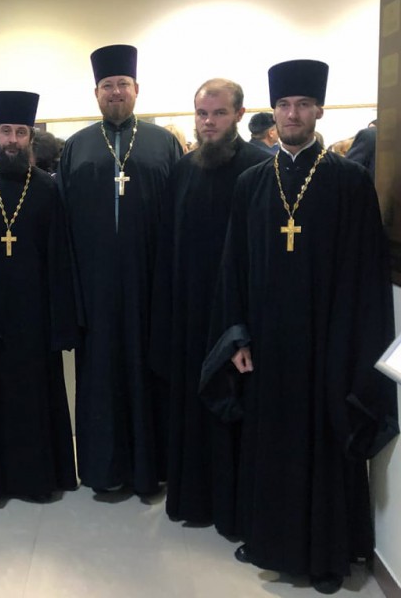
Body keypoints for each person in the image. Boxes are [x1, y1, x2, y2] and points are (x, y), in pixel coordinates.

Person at [200, 60, 398, 594]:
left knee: (324, 443)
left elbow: (364, 274)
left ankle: (327, 557)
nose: (293, 114)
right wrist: (236, 335)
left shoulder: (349, 182)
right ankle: (272, 545)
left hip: (327, 344)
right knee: (272, 445)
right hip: (267, 344)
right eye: (285, 105)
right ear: (274, 112)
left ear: (319, 111)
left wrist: (353, 347)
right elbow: (233, 266)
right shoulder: (251, 183)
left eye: (303, 105)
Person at [57, 44, 182, 495]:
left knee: (149, 374)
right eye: (107, 85)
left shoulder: (164, 143)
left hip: (150, 284)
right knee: (101, 377)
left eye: (122, 84)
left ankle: (151, 469)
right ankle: (103, 470)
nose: (115, 92)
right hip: (95, 289)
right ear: (96, 93)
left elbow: (179, 217)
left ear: (136, 89)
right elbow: (63, 225)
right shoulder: (77, 146)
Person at [149, 79, 269, 538]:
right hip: (189, 314)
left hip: (237, 318)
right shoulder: (183, 170)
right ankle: (193, 499)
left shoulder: (260, 168)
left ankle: (235, 508)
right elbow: (167, 247)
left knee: (233, 408)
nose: (209, 122)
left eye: (219, 113)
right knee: (191, 407)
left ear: (239, 114)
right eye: (202, 114)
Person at [0, 91, 78, 503]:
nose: (12, 140)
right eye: (6, 131)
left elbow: (60, 257)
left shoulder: (46, 188)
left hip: (34, 316)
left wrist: (60, 320)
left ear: (30, 137)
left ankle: (35, 479)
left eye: (20, 132)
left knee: (33, 398)